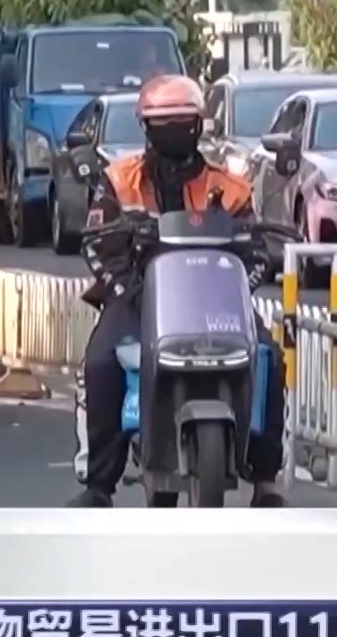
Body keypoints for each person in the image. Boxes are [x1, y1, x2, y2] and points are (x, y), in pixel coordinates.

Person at [70, 73, 287, 509]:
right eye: (163, 123)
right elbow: (99, 245)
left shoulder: (229, 186)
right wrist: (127, 288)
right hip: (137, 298)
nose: (174, 131)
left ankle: (265, 479)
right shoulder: (119, 181)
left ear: (199, 124)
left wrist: (246, 275)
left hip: (216, 300)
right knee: (101, 363)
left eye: (183, 122)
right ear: (145, 127)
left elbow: (255, 249)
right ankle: (99, 485)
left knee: (268, 357)